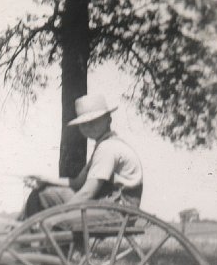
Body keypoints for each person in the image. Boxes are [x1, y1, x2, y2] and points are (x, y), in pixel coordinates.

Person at [21, 93, 144, 221]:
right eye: (84, 123)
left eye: (94, 121)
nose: (89, 127)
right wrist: (45, 179)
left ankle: (34, 235)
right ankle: (22, 236)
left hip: (118, 210)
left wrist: (60, 214)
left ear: (108, 119)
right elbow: (78, 183)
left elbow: (87, 192)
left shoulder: (108, 148)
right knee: (43, 195)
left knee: (51, 222)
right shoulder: (103, 145)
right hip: (104, 203)